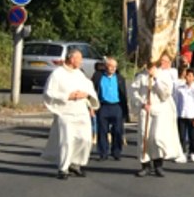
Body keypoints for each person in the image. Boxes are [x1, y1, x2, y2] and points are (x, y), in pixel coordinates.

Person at [41, 49, 98, 179]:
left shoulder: (80, 74)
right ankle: (63, 168)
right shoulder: (57, 74)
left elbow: (90, 89)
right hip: (65, 112)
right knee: (66, 141)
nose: (81, 61)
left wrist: (87, 96)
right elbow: (49, 93)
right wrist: (68, 96)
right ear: (72, 59)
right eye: (80, 59)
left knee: (85, 139)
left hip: (81, 111)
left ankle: (75, 163)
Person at [132, 53, 184, 177]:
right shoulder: (140, 76)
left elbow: (165, 94)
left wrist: (155, 79)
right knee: (145, 138)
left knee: (156, 137)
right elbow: (134, 93)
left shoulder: (164, 75)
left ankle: (158, 165)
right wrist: (142, 103)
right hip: (146, 110)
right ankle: (145, 165)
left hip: (159, 109)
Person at [90, 57, 129, 161]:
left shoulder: (120, 78)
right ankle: (103, 153)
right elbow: (92, 91)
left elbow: (124, 94)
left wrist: (125, 110)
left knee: (117, 130)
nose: (112, 68)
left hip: (117, 106)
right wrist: (92, 107)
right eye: (110, 66)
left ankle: (116, 152)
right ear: (106, 66)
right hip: (103, 106)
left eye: (114, 66)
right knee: (102, 130)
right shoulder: (98, 77)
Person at [174, 68, 194, 162]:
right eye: (187, 75)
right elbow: (177, 102)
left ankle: (193, 152)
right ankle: (182, 153)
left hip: (192, 116)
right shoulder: (180, 89)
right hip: (181, 115)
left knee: (192, 136)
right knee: (181, 136)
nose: (188, 77)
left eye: (191, 76)